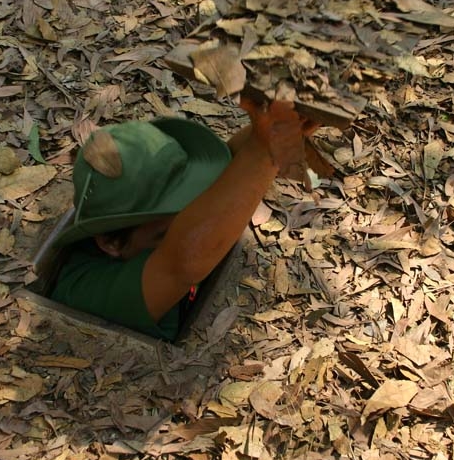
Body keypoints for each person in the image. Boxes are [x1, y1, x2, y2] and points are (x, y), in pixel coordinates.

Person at [50, 97, 312, 341]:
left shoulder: (135, 240)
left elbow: (231, 171)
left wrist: (287, 120)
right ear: (112, 243)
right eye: (171, 230)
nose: (197, 218)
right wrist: (270, 149)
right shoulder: (88, 290)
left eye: (192, 201)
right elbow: (186, 259)